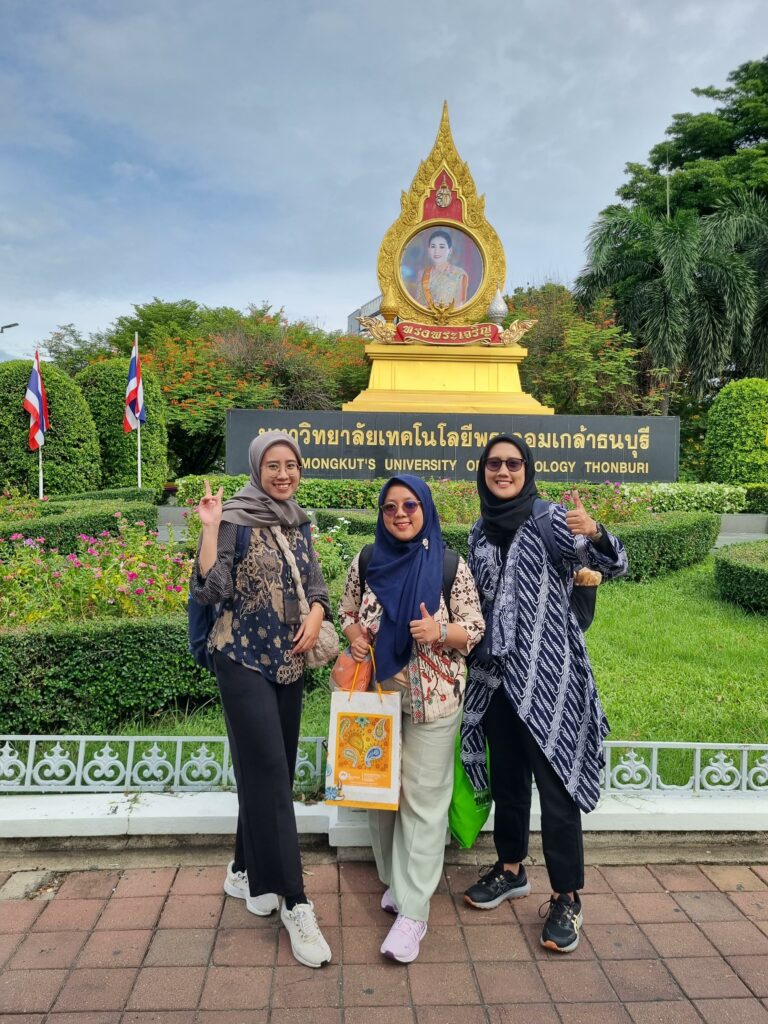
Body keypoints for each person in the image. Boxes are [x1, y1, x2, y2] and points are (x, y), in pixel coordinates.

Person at [460, 436, 627, 953]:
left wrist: (595, 531)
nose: (503, 471)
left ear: (526, 469)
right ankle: (511, 868)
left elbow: (614, 565)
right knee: (509, 783)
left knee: (557, 789)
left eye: (513, 463)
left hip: (551, 677)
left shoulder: (551, 520)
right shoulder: (479, 532)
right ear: (483, 471)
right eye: (494, 463)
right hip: (497, 680)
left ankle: (567, 897)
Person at [190, 430, 333, 969]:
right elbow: (211, 590)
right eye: (273, 465)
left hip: (287, 664)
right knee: (272, 773)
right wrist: (209, 530)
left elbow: (316, 586)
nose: (283, 474)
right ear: (256, 468)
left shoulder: (298, 520)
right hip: (242, 659)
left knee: (269, 769)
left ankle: (243, 869)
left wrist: (316, 614)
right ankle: (295, 901)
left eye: (291, 465)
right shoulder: (235, 518)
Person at [338, 474, 485, 963]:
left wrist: (439, 631)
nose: (399, 514)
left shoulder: (448, 565)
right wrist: (357, 635)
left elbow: (475, 628)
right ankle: (397, 883)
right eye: (390, 507)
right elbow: (347, 611)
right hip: (375, 700)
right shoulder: (367, 560)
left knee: (423, 802)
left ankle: (414, 912)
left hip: (433, 700)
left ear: (425, 509)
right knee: (379, 796)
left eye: (409, 505)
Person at [413, 228, 469, 309]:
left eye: (441, 247)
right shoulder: (422, 273)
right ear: (428, 250)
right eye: (433, 247)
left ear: (450, 250)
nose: (436, 251)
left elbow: (459, 305)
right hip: (422, 316)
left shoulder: (459, 275)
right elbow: (417, 303)